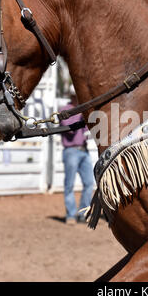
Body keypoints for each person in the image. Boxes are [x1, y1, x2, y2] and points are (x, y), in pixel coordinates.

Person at [59, 94, 94, 225]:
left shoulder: (82, 111)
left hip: (84, 150)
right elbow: (70, 130)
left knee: (89, 183)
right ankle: (71, 214)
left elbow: (88, 131)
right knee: (69, 184)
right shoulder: (65, 110)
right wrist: (81, 116)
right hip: (71, 150)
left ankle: (83, 213)